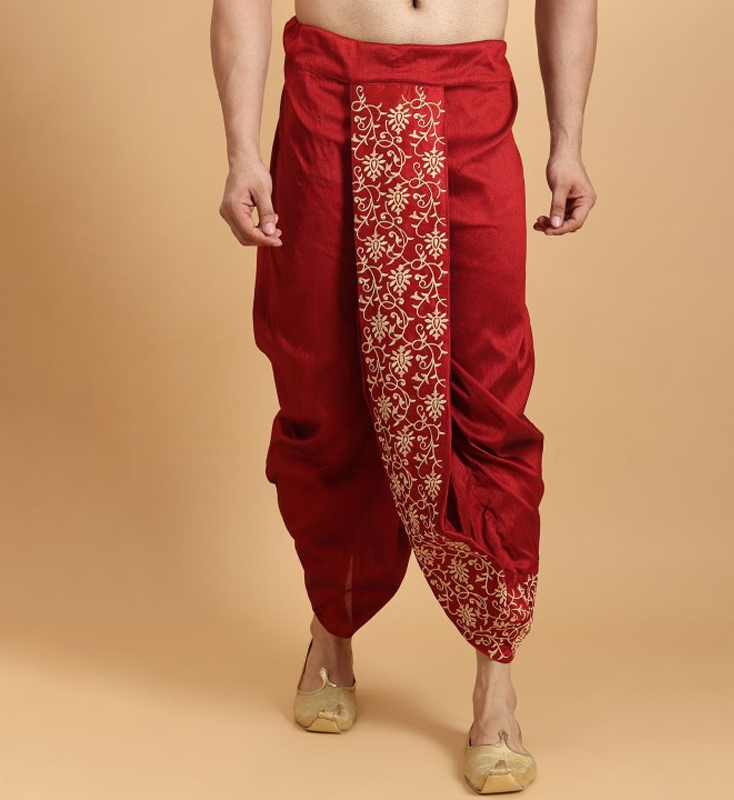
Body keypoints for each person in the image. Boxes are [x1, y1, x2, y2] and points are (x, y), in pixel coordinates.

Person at [211, 0, 597, 792]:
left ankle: (495, 687)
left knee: (489, 392)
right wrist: (242, 148)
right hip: (327, 95)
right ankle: (332, 628)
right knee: (322, 383)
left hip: (471, 99)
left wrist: (568, 142)